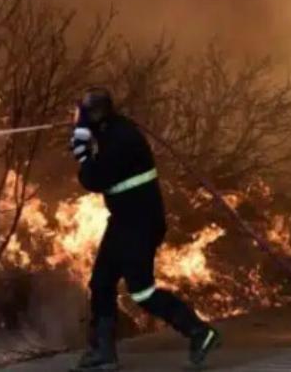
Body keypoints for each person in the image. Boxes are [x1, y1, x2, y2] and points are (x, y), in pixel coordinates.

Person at [69, 88, 220, 371]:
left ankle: (199, 332)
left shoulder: (121, 139)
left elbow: (94, 179)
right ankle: (103, 351)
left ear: (97, 114)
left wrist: (83, 156)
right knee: (101, 282)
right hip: (124, 220)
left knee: (140, 290)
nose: (79, 119)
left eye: (83, 114)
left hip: (140, 223)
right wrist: (87, 138)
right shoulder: (111, 130)